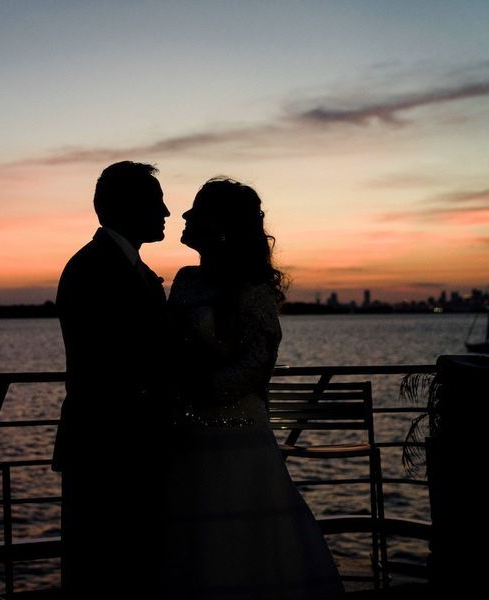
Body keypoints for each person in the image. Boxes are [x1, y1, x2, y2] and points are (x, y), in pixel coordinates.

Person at [165, 178, 345, 599]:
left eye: (197, 210)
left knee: (246, 540)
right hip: (184, 433)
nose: (186, 216)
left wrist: (202, 390)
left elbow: (259, 360)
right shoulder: (186, 280)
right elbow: (169, 343)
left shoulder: (252, 288)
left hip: (236, 432)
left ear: (222, 225)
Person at [53, 161, 173, 599]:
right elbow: (110, 363)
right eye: (157, 201)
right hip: (106, 447)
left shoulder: (126, 267)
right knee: (102, 572)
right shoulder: (93, 268)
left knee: (129, 569)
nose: (166, 211)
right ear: (128, 207)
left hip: (124, 447)